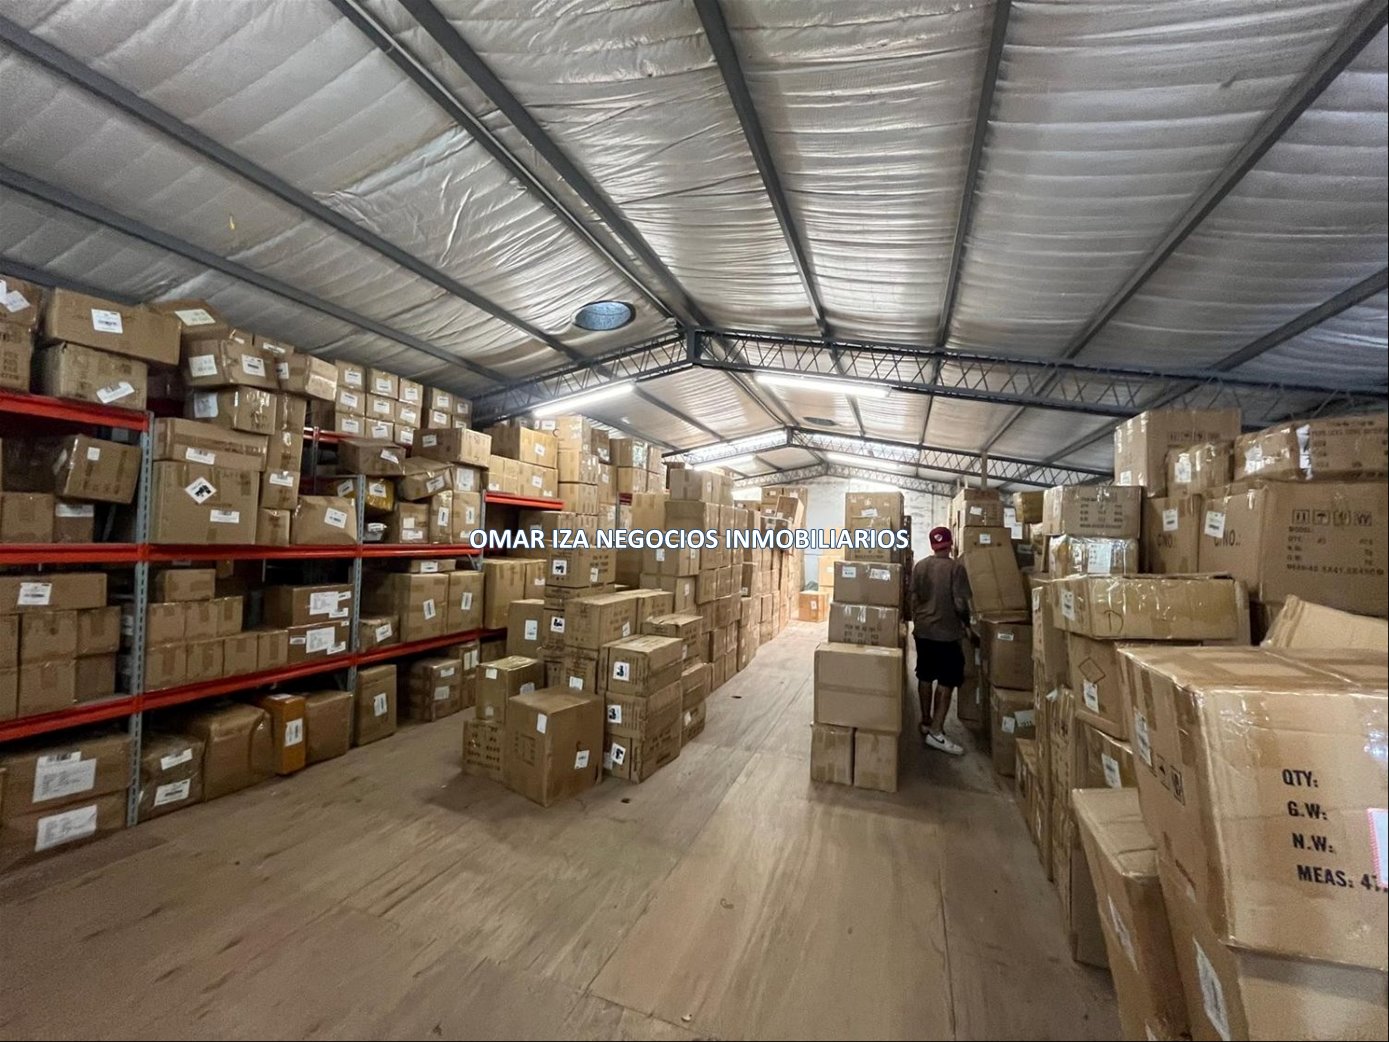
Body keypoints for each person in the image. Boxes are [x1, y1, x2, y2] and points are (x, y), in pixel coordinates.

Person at [909, 525, 972, 755]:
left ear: (932, 545)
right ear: (951, 543)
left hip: (923, 632)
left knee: (925, 675)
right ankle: (936, 732)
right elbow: (960, 603)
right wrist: (967, 624)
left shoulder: (920, 566)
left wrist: (919, 620)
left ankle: (926, 721)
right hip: (947, 634)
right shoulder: (956, 568)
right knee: (947, 681)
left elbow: (913, 599)